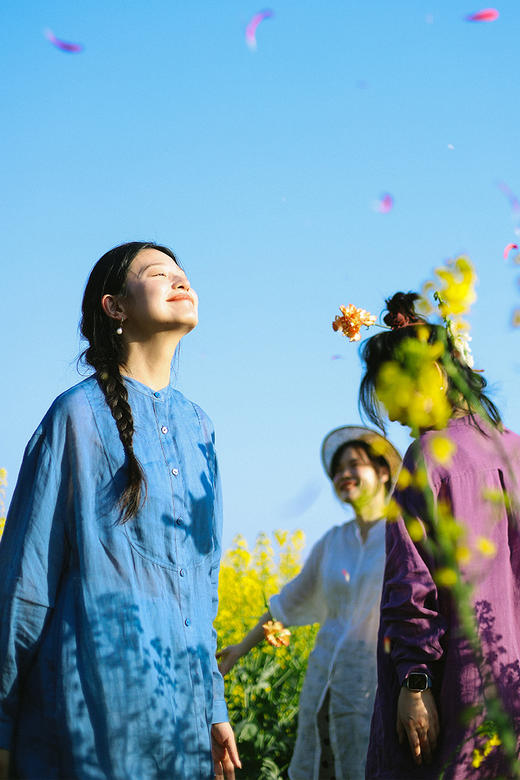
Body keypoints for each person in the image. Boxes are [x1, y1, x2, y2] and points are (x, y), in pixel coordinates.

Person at [0, 242, 240, 780]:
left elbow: (201, 587)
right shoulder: (75, 416)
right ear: (114, 307)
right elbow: (26, 583)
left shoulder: (200, 428)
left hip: (181, 724)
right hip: (88, 718)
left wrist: (213, 705)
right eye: (159, 274)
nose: (181, 282)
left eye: (184, 275)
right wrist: (2, 722)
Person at [360, 292, 520, 779]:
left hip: (454, 694)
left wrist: (415, 681)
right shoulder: (514, 450)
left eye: (390, 392)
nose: (390, 414)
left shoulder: (429, 456)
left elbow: (412, 588)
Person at [217, 426, 401, 780]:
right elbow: (288, 602)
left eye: (354, 465)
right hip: (324, 687)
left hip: (377, 688)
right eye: (336, 470)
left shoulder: (402, 534)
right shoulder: (333, 542)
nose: (343, 474)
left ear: (382, 472)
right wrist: (241, 648)